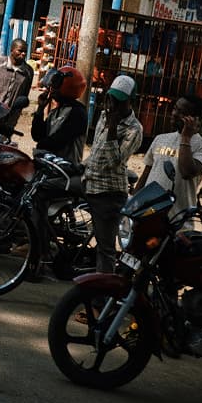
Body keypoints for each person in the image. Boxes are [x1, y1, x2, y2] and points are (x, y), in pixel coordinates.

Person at [83, 75, 144, 273]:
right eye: (111, 98)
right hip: (88, 178)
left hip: (108, 190)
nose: (113, 104)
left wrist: (112, 127)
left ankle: (103, 294)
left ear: (129, 101)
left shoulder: (134, 129)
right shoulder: (103, 115)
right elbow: (96, 151)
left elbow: (112, 161)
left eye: (119, 100)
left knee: (106, 248)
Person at [135, 94, 202, 220]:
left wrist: (186, 137)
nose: (174, 114)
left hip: (177, 220)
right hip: (148, 214)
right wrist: (134, 201)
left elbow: (187, 172)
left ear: (196, 119)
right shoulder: (160, 139)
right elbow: (147, 173)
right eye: (175, 109)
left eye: (181, 112)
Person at [30, 65, 88, 164]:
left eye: (55, 85)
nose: (51, 89)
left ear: (68, 87)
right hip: (49, 165)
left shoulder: (77, 113)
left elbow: (58, 141)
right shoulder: (56, 111)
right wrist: (40, 109)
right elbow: (37, 135)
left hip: (64, 170)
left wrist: (40, 146)